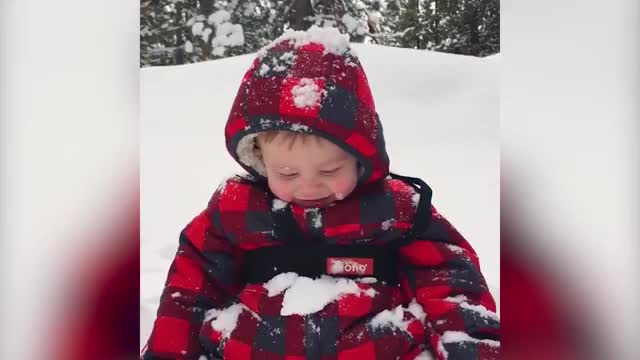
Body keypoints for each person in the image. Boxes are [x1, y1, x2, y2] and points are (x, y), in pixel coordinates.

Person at [142, 26, 499, 360]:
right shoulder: (237, 210)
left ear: (361, 160)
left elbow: (452, 287)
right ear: (260, 160)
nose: (309, 186)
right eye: (287, 172)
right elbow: (188, 292)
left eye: (330, 171)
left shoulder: (395, 210)